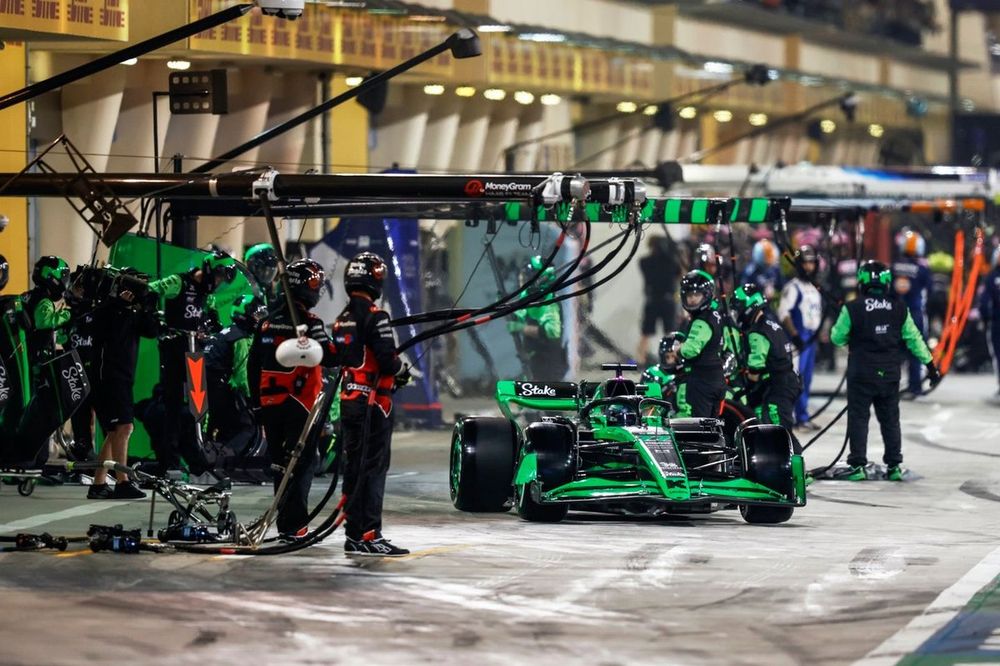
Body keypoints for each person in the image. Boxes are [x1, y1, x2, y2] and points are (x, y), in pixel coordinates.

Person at [249, 259, 339, 540]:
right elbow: (331, 355)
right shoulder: (309, 324)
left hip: (269, 403)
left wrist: (256, 405)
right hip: (300, 405)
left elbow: (253, 365)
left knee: (280, 465)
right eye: (314, 283)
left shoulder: (266, 322)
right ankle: (294, 527)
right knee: (301, 464)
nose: (317, 289)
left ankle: (286, 524)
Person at [332, 251, 412, 556]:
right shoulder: (377, 316)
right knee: (373, 469)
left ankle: (354, 534)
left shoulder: (341, 319)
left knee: (354, 468)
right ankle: (369, 535)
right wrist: (402, 372)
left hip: (349, 402)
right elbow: (388, 362)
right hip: (373, 406)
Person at [830, 260, 939, 481]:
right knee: (890, 419)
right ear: (887, 283)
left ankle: (858, 466)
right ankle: (894, 466)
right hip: (889, 374)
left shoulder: (852, 308)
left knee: (859, 418)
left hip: (861, 373)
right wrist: (930, 365)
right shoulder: (900, 308)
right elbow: (914, 339)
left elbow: (836, 337)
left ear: (861, 283)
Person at [147, 251, 236, 476]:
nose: (218, 283)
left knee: (199, 404)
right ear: (209, 270)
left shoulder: (208, 295)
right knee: (173, 405)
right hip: (173, 349)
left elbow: (214, 321)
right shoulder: (179, 282)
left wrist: (211, 329)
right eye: (218, 277)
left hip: (195, 351)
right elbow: (149, 289)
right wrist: (156, 319)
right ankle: (170, 458)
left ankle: (197, 454)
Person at [87, 268, 158, 500]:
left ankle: (98, 484)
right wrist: (118, 306)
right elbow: (103, 332)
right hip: (109, 375)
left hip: (123, 374)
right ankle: (122, 481)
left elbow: (151, 331)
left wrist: (148, 307)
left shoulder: (131, 311)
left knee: (114, 430)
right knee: (125, 428)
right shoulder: (107, 309)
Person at [731, 283, 800, 432]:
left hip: (778, 387)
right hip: (788, 381)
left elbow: (755, 371)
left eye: (738, 308)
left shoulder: (757, 332)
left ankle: (793, 455)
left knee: (779, 432)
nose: (737, 313)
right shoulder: (771, 324)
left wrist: (743, 387)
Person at [204, 293, 264, 444]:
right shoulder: (241, 338)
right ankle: (225, 460)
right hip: (217, 387)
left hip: (204, 387)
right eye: (257, 315)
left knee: (214, 427)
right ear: (245, 314)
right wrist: (254, 401)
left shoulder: (228, 331)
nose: (260, 320)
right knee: (247, 426)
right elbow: (242, 376)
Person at [777, 245, 823, 430]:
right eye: (806, 263)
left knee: (808, 378)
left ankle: (803, 416)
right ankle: (793, 416)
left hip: (812, 336)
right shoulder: (792, 287)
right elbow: (783, 313)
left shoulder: (814, 287)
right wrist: (795, 335)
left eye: (812, 263)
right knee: (797, 378)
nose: (809, 267)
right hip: (798, 337)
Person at [674, 270, 726, 418]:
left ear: (706, 295)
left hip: (703, 381)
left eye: (696, 295)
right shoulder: (715, 315)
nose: (692, 299)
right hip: (717, 378)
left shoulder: (701, 321)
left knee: (699, 427)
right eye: (689, 295)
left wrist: (678, 349)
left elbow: (690, 350)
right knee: (712, 426)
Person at [507, 255, 567, 381]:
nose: (521, 278)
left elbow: (552, 332)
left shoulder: (549, 302)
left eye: (525, 275)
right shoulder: (531, 297)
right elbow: (520, 314)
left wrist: (521, 328)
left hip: (548, 367)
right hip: (534, 365)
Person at [892, 229, 933, 398]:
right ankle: (914, 387)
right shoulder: (922, 270)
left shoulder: (894, 266)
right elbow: (930, 291)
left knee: (892, 352)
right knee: (915, 352)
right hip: (914, 314)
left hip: (894, 314)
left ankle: (889, 385)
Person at [636, 235, 681, 365]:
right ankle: (672, 360)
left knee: (649, 332)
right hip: (665, 300)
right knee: (668, 332)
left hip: (653, 300)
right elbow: (678, 274)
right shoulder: (670, 262)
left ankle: (641, 359)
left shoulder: (645, 262)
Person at [20, 256, 71, 366]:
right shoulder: (44, 301)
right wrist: (68, 315)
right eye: (64, 276)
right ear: (52, 277)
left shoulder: (28, 295)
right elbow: (44, 322)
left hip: (24, 354)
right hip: (34, 361)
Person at [980, 247, 1000, 397]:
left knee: (998, 355)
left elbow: (984, 301)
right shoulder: (991, 276)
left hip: (997, 321)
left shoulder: (991, 277)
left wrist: (985, 318)